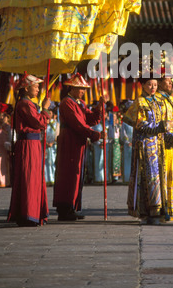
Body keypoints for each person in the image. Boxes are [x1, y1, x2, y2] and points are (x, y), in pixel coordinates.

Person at [124, 75, 173, 225]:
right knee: (149, 177)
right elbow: (140, 125)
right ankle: (150, 211)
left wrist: (172, 139)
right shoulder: (139, 102)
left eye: (155, 85)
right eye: (149, 84)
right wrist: (158, 128)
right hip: (145, 146)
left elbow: (163, 127)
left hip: (158, 145)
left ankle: (158, 210)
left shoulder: (158, 102)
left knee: (158, 178)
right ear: (143, 85)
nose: (153, 88)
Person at [53, 73, 105, 221]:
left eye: (84, 89)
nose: (83, 91)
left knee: (77, 173)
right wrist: (95, 135)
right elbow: (77, 123)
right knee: (68, 173)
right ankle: (65, 208)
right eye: (81, 88)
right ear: (72, 88)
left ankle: (73, 206)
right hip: (69, 139)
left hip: (78, 141)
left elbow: (90, 118)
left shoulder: (80, 103)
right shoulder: (66, 103)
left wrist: (99, 107)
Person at [7, 73, 50, 227]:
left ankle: (32, 212)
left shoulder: (28, 103)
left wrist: (44, 112)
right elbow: (38, 122)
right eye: (36, 86)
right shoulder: (24, 104)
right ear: (26, 88)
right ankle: (27, 213)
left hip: (33, 144)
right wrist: (45, 110)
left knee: (34, 178)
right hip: (28, 145)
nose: (38, 89)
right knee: (29, 178)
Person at [156, 76, 173, 219]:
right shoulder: (155, 101)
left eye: (171, 80)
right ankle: (159, 208)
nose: (170, 82)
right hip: (158, 143)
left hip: (169, 144)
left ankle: (168, 209)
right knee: (160, 176)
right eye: (167, 80)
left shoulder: (171, 101)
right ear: (159, 83)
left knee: (169, 176)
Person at [0, 111, 12, 187]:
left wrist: (8, 144)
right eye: (1, 116)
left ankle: (4, 181)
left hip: (3, 148)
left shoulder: (7, 127)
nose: (2, 118)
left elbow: (10, 137)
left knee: (3, 165)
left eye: (3, 116)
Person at [44, 108, 59, 185]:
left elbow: (57, 134)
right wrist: (45, 142)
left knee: (52, 161)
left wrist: (52, 142)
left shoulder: (56, 124)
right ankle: (46, 179)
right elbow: (42, 134)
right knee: (45, 162)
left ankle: (53, 178)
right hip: (45, 145)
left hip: (53, 145)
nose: (49, 115)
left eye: (50, 113)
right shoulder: (44, 124)